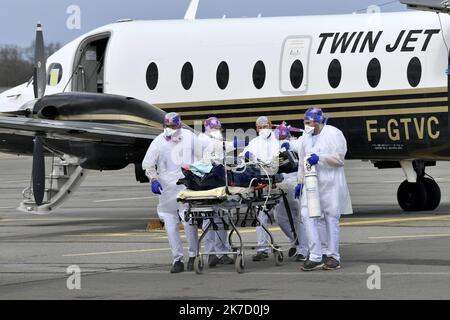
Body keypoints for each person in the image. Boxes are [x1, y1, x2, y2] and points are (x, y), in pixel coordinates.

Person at [142, 112, 202, 273]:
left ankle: (193, 255)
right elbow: (148, 163)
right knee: (169, 224)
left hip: (186, 185)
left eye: (173, 126)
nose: (170, 129)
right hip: (166, 188)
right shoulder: (159, 141)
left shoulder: (189, 137)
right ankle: (177, 259)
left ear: (180, 125)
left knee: (188, 220)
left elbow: (202, 156)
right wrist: (153, 179)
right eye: (167, 126)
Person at [295, 108, 353, 271]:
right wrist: (300, 182)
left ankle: (333, 256)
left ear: (318, 121)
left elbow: (339, 159)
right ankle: (315, 255)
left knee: (330, 219)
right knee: (308, 216)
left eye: (309, 123)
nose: (306, 126)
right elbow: (301, 160)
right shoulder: (306, 138)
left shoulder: (333, 134)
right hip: (311, 183)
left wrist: (320, 159)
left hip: (331, 184)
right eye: (305, 123)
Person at [197, 117, 238, 267]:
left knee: (214, 218)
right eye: (213, 128)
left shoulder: (207, 139)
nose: (216, 131)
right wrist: (240, 144)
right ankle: (217, 253)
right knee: (217, 217)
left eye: (218, 128)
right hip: (211, 183)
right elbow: (223, 146)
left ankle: (215, 253)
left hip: (213, 183)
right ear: (207, 128)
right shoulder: (205, 140)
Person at [241, 116, 281, 261]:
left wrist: (272, 165)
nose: (263, 129)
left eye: (266, 126)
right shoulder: (254, 142)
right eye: (260, 127)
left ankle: (301, 246)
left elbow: (280, 158)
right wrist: (247, 156)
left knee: (284, 218)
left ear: (271, 125)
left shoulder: (277, 140)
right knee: (260, 216)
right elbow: (244, 156)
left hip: (276, 180)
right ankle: (262, 248)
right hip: (260, 181)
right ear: (256, 128)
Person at [273, 124, 309, 262]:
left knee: (299, 216)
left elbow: (303, 144)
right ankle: (296, 241)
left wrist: (290, 144)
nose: (282, 138)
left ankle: (303, 250)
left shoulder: (296, 143)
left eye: (284, 135)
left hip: (294, 180)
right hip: (280, 183)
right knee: (280, 217)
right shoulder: (272, 146)